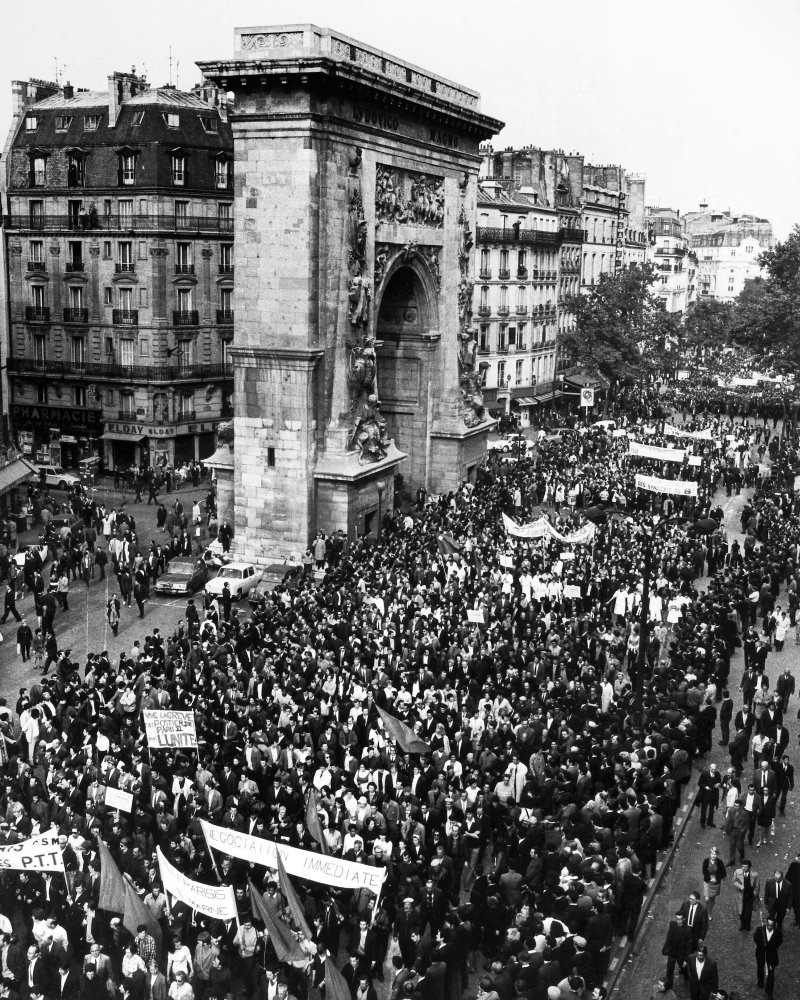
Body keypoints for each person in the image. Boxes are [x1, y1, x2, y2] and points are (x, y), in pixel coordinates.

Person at [657, 911, 691, 993]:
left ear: (684, 919)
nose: (678, 921)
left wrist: (686, 959)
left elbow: (688, 946)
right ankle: (669, 987)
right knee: (669, 971)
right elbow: (668, 937)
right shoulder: (672, 924)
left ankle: (686, 978)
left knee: (683, 967)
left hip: (681, 954)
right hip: (672, 952)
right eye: (677, 919)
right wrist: (666, 948)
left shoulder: (688, 930)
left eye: (680, 919)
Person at [753, 916, 782, 997]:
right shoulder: (760, 930)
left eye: (771, 925)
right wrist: (762, 944)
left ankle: (769, 992)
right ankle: (760, 981)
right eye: (768, 924)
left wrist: (770, 947)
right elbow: (755, 938)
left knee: (771, 973)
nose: (769, 926)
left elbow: (779, 942)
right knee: (760, 967)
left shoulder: (778, 933)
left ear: (774, 925)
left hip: (771, 955)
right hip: (761, 953)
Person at [732, 859, 759, 931]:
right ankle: (742, 924)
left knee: (748, 912)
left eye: (745, 867)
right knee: (741, 912)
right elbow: (733, 881)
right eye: (742, 866)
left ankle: (748, 924)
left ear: (749, 867)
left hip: (749, 896)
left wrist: (754, 895)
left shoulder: (754, 875)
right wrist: (740, 886)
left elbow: (757, 886)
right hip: (740, 896)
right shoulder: (737, 872)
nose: (743, 868)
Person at [700, 846, 726, 918]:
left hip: (716, 883)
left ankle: (709, 912)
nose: (713, 855)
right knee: (707, 898)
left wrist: (717, 878)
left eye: (715, 854)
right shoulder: (706, 861)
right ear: (709, 854)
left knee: (712, 899)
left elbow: (723, 872)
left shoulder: (720, 862)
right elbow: (704, 871)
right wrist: (709, 878)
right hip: (707, 881)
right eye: (712, 853)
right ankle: (706, 910)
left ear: (717, 855)